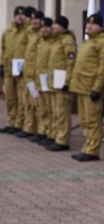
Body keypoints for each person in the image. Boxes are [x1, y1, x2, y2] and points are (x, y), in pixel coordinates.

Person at [69, 13, 104, 161]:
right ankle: (87, 146)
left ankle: (93, 150)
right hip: (81, 87)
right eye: (87, 23)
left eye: (93, 24)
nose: (89, 26)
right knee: (84, 120)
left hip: (91, 88)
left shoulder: (103, 42)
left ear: (100, 27)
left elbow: (103, 67)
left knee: (92, 120)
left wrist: (97, 88)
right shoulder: (89, 41)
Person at [46, 15, 76, 151]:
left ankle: (63, 140)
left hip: (62, 82)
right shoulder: (56, 41)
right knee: (56, 112)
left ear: (62, 27)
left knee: (62, 112)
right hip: (54, 82)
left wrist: (67, 81)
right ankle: (56, 136)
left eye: (55, 24)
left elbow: (70, 63)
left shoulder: (68, 41)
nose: (52, 27)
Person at [0, 6, 27, 134]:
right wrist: (1, 65)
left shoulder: (28, 31)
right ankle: (11, 121)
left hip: (22, 69)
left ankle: (19, 123)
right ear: (14, 16)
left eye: (22, 15)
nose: (20, 17)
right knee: (10, 97)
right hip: (9, 68)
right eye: (17, 15)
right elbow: (3, 49)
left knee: (21, 97)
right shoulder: (8, 32)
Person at [10, 6, 35, 137]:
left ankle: (30, 126)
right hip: (20, 68)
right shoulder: (18, 30)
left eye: (24, 16)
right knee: (21, 99)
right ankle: (23, 124)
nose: (22, 18)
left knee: (30, 99)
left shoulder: (31, 31)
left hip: (30, 71)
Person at [22, 10, 44, 141]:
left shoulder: (43, 34)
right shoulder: (30, 33)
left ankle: (41, 131)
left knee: (39, 104)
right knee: (28, 102)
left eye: (37, 19)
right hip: (28, 73)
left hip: (38, 74)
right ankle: (31, 128)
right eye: (33, 19)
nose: (34, 21)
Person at [35, 18, 55, 147]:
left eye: (47, 27)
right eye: (42, 27)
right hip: (40, 78)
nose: (44, 29)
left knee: (51, 110)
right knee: (42, 109)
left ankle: (51, 133)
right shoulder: (40, 42)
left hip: (50, 80)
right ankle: (44, 131)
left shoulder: (54, 42)